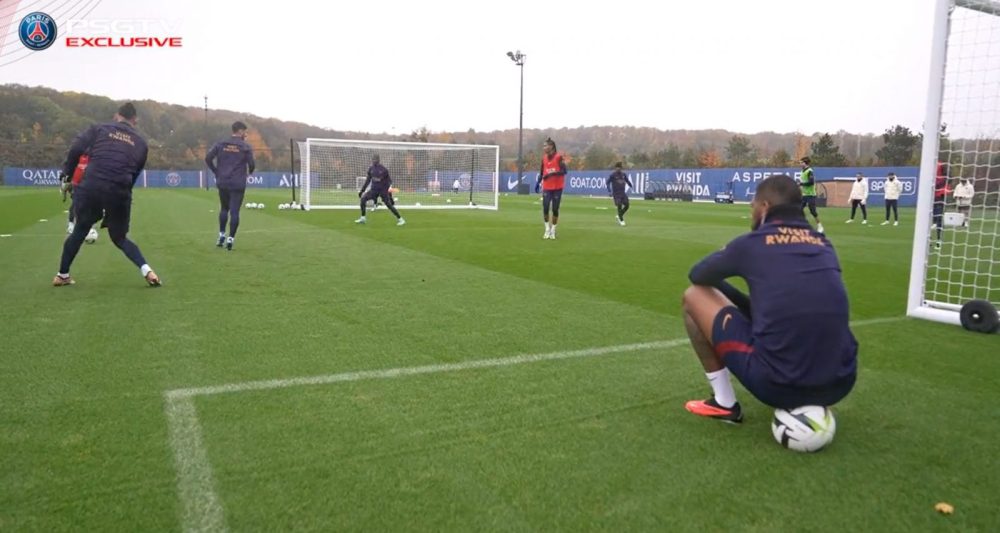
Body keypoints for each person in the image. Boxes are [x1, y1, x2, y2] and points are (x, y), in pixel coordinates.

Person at [681, 174, 857, 423]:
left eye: (753, 206)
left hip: (778, 386)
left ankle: (724, 403)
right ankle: (813, 390)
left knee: (693, 296)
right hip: (841, 383)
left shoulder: (751, 244)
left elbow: (697, 275)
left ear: (764, 207)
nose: (752, 212)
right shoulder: (823, 244)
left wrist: (725, 255)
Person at [53, 102, 160, 287]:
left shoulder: (99, 129)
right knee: (120, 238)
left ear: (116, 116)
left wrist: (67, 175)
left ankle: (62, 275)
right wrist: (123, 196)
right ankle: (147, 270)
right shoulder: (141, 143)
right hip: (119, 191)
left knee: (80, 230)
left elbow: (76, 149)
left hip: (92, 186)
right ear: (135, 120)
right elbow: (134, 173)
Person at [205, 121, 255, 250]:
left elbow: (208, 158)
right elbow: (252, 164)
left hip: (223, 181)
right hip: (237, 183)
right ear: (239, 131)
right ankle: (230, 239)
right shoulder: (245, 146)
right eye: (244, 131)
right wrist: (249, 172)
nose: (245, 134)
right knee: (234, 211)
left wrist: (216, 171)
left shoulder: (221, 144)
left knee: (224, 209)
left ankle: (221, 235)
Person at [356, 154, 405, 225]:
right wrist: (362, 190)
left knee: (389, 205)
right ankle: (363, 218)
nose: (374, 161)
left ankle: (400, 219)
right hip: (374, 190)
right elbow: (368, 180)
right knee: (363, 199)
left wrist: (389, 193)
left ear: (378, 160)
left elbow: (389, 181)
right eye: (373, 159)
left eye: (375, 159)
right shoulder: (371, 169)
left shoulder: (384, 170)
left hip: (382, 191)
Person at [535, 137, 567, 239]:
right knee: (545, 207)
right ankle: (547, 229)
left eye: (545, 146)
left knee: (555, 209)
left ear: (551, 146)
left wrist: (552, 173)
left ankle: (553, 230)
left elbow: (564, 171)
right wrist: (538, 182)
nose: (544, 147)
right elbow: (541, 173)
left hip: (557, 187)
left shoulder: (558, 158)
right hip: (547, 187)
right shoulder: (544, 158)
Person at [63, 154, 99, 243]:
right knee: (76, 204)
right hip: (77, 184)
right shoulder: (78, 158)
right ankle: (71, 225)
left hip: (89, 185)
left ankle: (86, 226)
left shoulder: (93, 158)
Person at [798, 157, 824, 233]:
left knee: (812, 211)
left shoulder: (809, 171)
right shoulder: (802, 171)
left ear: (805, 163)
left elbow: (811, 182)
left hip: (810, 195)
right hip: (804, 194)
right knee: (798, 209)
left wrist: (801, 184)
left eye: (801, 162)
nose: (800, 164)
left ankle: (820, 226)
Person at [606, 162, 632, 226]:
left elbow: (627, 180)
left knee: (627, 205)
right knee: (619, 204)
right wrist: (609, 191)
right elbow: (607, 182)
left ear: (621, 168)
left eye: (619, 168)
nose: (618, 169)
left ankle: (619, 215)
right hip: (616, 194)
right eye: (617, 168)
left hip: (623, 193)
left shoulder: (623, 174)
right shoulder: (613, 175)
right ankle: (621, 219)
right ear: (615, 168)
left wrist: (630, 185)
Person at [933, 162, 950, 246]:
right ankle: (931, 239)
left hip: (939, 199)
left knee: (939, 218)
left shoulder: (943, 179)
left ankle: (939, 239)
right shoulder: (933, 177)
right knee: (931, 220)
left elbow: (944, 188)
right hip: (932, 199)